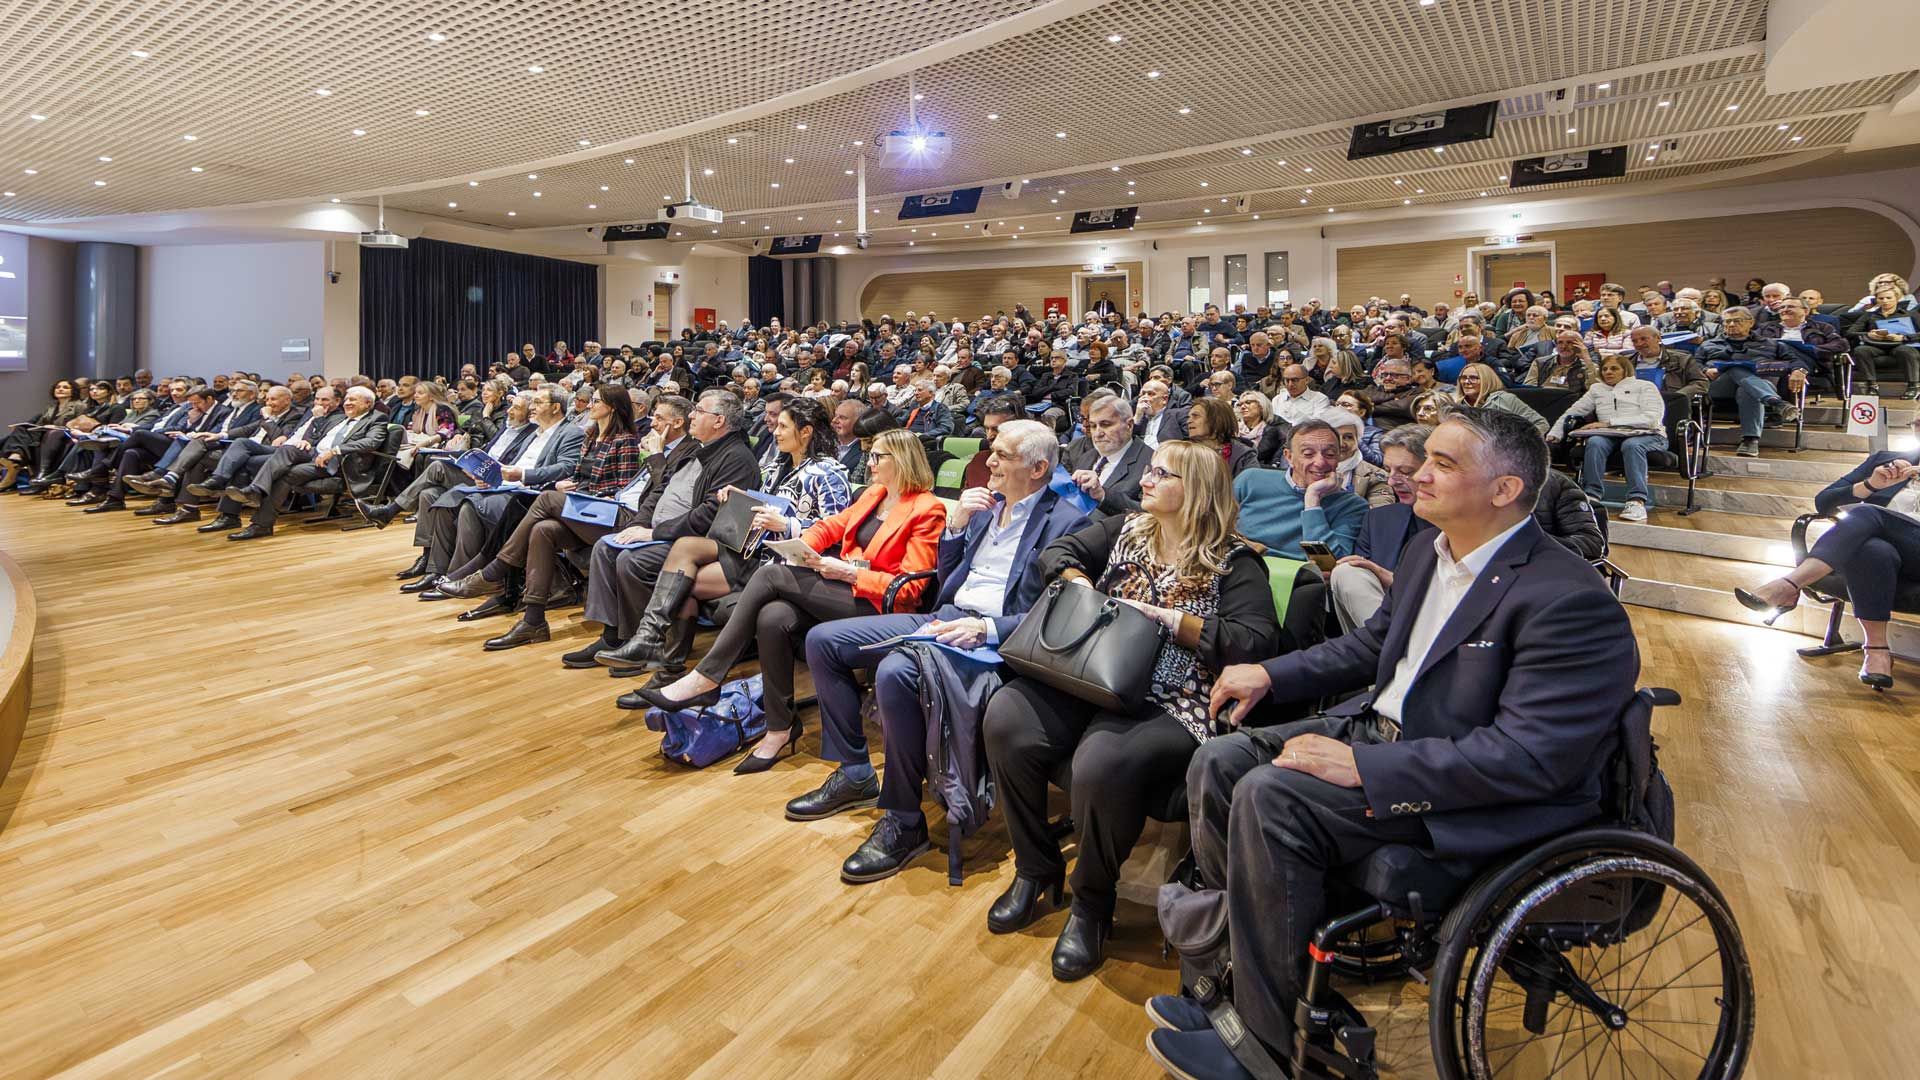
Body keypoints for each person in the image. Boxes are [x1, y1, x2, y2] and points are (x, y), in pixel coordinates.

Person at [1147, 407, 1638, 1078]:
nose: (1415, 473)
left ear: (1504, 490)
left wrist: (1366, 766)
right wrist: (1269, 670)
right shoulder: (1427, 551)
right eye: (1422, 458)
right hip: (1382, 732)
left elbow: (1531, 757)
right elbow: (1373, 646)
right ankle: (1229, 986)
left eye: (1444, 463)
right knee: (1218, 760)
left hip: (1464, 790)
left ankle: (1272, 1049)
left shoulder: (1565, 597)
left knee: (1270, 797)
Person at [983, 439, 1282, 981]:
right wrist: (1081, 591)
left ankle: (1091, 903)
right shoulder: (1126, 529)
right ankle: (1035, 868)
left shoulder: (1234, 560)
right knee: (1008, 715)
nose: (1146, 479)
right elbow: (1058, 554)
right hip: (1095, 673)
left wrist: (1167, 619)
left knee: (1100, 762)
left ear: (1194, 491)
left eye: (1161, 474)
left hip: (1176, 695)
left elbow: (1256, 641)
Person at [792, 420, 1091, 881]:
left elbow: (1056, 612)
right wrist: (955, 528)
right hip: (947, 616)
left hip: (996, 640)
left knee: (895, 673)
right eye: (991, 452)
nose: (988, 462)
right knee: (824, 642)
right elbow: (950, 581)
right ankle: (855, 771)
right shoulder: (986, 507)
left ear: (1038, 468)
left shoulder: (1067, 522)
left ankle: (905, 820)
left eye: (1002, 455)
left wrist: (987, 627)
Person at [632, 430, 947, 771]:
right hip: (845, 590)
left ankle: (708, 676)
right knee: (773, 616)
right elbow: (829, 527)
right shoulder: (875, 494)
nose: (868, 463)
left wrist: (848, 573)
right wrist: (805, 547)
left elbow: (909, 589)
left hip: (880, 606)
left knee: (769, 575)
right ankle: (779, 729)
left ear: (900, 460)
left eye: (877, 457)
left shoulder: (927, 509)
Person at [590, 396, 852, 674]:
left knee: (682, 583)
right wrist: (740, 497)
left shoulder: (827, 472)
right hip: (752, 549)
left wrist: (787, 524)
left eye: (783, 427)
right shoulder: (775, 468)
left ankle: (664, 661)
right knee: (684, 553)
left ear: (806, 431)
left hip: (784, 563)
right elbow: (762, 507)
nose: (774, 432)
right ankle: (654, 648)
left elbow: (837, 532)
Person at [432, 385, 643, 639]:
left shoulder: (626, 440)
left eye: (596, 401)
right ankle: (533, 620)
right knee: (542, 530)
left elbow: (623, 489)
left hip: (607, 512)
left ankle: (493, 571)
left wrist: (582, 493)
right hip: (584, 506)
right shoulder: (589, 435)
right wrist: (565, 485)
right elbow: (579, 475)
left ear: (612, 407)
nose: (589, 404)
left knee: (542, 500)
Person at [1735, 412, 1920, 690]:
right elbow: (1824, 501)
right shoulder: (1888, 460)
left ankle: (1789, 585)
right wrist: (1871, 485)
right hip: (1888, 557)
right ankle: (1877, 651)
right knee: (1871, 549)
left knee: (1869, 515)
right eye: (1918, 423)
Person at [218, 386, 385, 541]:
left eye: (353, 400)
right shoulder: (344, 419)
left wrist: (335, 451)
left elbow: (370, 443)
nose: (347, 403)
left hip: (341, 463)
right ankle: (256, 492)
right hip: (315, 455)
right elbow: (318, 435)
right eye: (347, 399)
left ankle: (260, 522)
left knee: (285, 474)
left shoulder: (377, 418)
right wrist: (308, 442)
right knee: (288, 448)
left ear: (367, 403)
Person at [1327, 424, 1432, 631]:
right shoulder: (1377, 519)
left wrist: (1395, 581)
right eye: (1388, 470)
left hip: (1436, 621)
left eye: (1405, 472)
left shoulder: (1464, 522)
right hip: (1378, 622)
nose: (1392, 481)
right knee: (1347, 572)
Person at [1548, 355, 1667, 521]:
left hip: (1648, 434)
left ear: (1625, 370)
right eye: (1604, 369)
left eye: (1614, 368)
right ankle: (1591, 496)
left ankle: (1636, 500)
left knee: (1632, 445)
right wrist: (1555, 433)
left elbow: (1652, 418)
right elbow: (1573, 412)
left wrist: (1608, 423)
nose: (1608, 372)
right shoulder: (1597, 389)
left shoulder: (1645, 386)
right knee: (1595, 442)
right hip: (1611, 435)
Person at [1231, 418, 1368, 557]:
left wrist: (1312, 501)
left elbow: (1329, 564)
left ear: (1338, 458)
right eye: (1308, 454)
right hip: (1241, 566)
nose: (1320, 462)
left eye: (1330, 455)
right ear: (1289, 457)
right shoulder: (1250, 480)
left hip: (1301, 576)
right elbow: (1213, 528)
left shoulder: (1352, 506)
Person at [1701, 306, 1799, 457]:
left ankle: (1750, 440)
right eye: (1727, 322)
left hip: (1758, 385)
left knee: (1746, 389)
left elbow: (1795, 360)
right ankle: (1776, 403)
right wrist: (1704, 370)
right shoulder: (1709, 344)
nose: (1731, 325)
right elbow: (1694, 365)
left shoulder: (1772, 343)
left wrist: (1799, 371)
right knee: (1733, 367)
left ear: (1750, 322)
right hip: (1720, 386)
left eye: (1737, 321)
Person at [1063, 394, 1151, 517]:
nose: (1097, 434)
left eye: (1105, 424)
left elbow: (1151, 516)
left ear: (1129, 425)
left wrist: (1103, 495)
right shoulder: (1086, 457)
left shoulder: (1151, 462)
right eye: (1093, 426)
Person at [1845, 282, 1920, 399]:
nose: (1885, 301)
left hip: (1900, 345)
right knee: (1861, 350)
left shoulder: (1910, 314)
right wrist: (1869, 334)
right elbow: (1850, 332)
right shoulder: (1869, 316)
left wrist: (1904, 337)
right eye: (1881, 298)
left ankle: (1913, 387)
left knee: (1906, 351)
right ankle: (1872, 386)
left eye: (1889, 298)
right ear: (1877, 300)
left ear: (1897, 299)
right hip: (1877, 345)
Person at [1456, 362, 1548, 434]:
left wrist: (1521, 444)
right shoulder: (1456, 405)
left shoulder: (1506, 399)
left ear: (1487, 380)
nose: (1467, 382)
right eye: (1463, 378)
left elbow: (1540, 423)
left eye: (1473, 378)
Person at [1182, 396, 1257, 477]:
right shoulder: (1182, 451)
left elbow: (1251, 485)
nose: (1188, 421)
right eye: (1189, 417)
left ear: (1217, 419)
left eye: (1195, 416)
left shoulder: (1245, 455)